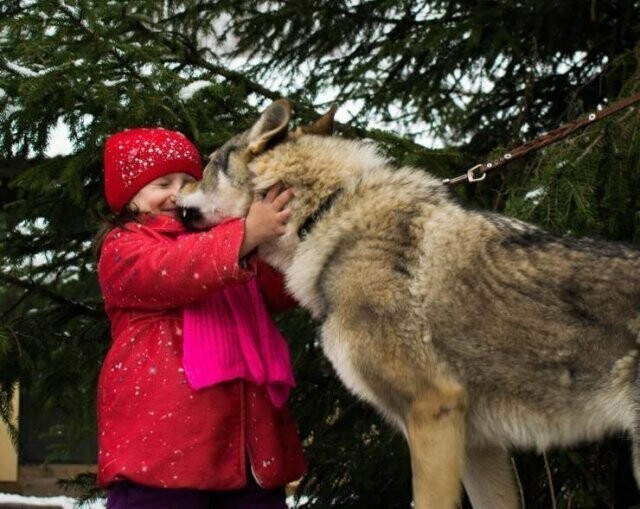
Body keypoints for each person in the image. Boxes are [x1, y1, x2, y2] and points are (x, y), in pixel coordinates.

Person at [94, 127, 307, 509]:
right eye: (162, 184)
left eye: (189, 181)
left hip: (249, 446)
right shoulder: (124, 247)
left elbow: (283, 289)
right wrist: (245, 235)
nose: (178, 193)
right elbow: (174, 269)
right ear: (130, 201)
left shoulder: (233, 239)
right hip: (165, 449)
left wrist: (283, 234)